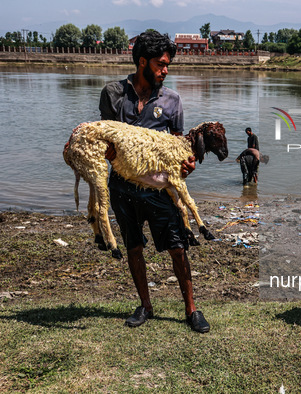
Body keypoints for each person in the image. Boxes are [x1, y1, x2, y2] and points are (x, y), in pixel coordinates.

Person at [99, 31, 209, 333]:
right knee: (133, 248)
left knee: (177, 246)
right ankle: (145, 306)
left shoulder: (172, 101)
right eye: (161, 64)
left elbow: (178, 148)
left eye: (168, 64)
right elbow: (105, 139)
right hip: (122, 187)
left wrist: (187, 165)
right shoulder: (112, 94)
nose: (166, 70)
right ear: (142, 62)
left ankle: (191, 309)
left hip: (160, 189)